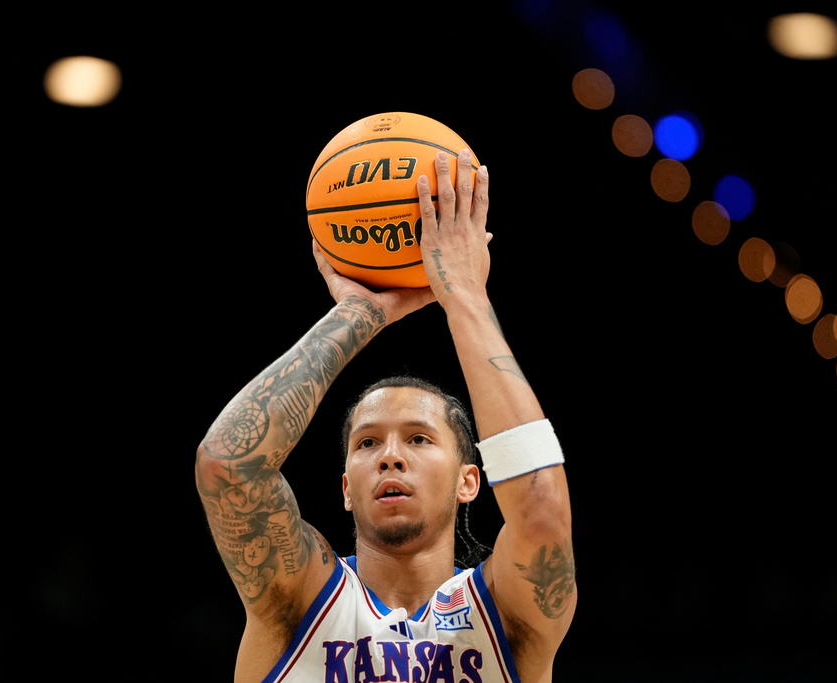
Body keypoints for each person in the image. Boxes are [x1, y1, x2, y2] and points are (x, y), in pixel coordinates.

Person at [195, 148, 576, 682]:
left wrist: (464, 295)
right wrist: (361, 312)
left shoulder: (507, 613)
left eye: (419, 439)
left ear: (470, 481)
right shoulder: (298, 599)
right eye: (367, 443)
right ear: (346, 487)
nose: (390, 456)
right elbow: (227, 464)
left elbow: (539, 505)